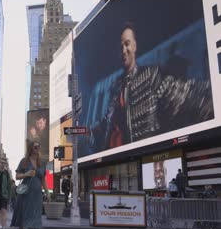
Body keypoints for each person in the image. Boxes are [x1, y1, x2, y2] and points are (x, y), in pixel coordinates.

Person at [90, 23, 213, 151]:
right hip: (117, 155)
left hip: (145, 154)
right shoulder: (116, 87)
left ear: (135, 45)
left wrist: (207, 101)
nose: (123, 50)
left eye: (127, 44)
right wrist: (93, 131)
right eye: (120, 47)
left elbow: (181, 96)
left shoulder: (151, 75)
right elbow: (108, 121)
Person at [11, 141, 50, 229]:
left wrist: (47, 192)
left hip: (37, 194)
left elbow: (43, 179)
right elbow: (17, 176)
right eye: (35, 146)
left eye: (38, 146)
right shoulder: (24, 161)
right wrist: (26, 174)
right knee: (23, 218)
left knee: (37, 219)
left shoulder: (42, 162)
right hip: (25, 193)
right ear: (31, 148)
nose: (37, 148)